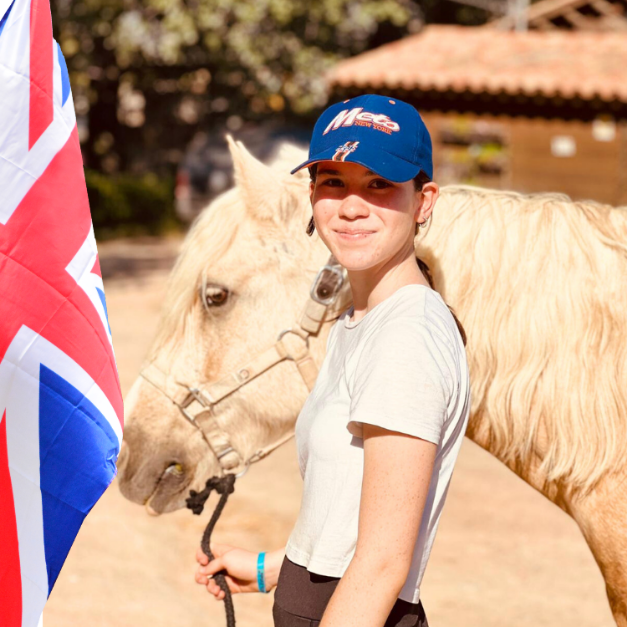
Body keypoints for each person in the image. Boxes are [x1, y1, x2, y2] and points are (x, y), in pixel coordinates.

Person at [194, 93, 471, 627]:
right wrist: (271, 569)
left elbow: (384, 563)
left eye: (379, 184)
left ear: (424, 201)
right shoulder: (362, 319)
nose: (350, 206)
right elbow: (352, 522)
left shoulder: (407, 334)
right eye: (333, 182)